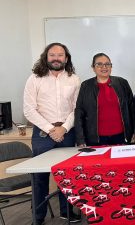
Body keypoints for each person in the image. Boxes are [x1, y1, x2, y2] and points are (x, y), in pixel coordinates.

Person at [23, 43, 81, 224]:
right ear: (46, 57)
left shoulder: (74, 79)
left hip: (67, 132)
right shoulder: (34, 79)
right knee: (39, 176)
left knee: (67, 175)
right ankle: (38, 216)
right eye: (52, 54)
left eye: (60, 55)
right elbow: (29, 110)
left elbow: (77, 109)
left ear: (66, 58)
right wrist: (50, 129)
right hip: (42, 134)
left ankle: (67, 212)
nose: (56, 58)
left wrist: (63, 128)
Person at [74, 53, 135, 146]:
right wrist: (80, 139)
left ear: (111, 66)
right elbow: (79, 113)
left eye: (107, 64)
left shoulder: (122, 83)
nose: (104, 67)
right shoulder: (86, 86)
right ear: (93, 68)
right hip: (95, 138)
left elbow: (132, 108)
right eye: (99, 64)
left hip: (121, 136)